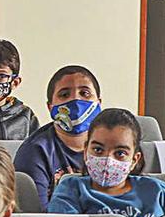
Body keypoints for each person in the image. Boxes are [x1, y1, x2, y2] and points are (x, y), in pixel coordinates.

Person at [15, 66, 103, 208]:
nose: (75, 99)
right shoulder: (35, 151)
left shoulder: (113, 146)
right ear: (50, 107)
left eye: (85, 93)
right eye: (64, 95)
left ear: (99, 103)